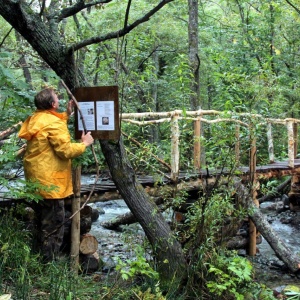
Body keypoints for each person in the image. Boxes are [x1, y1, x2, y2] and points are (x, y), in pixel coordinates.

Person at [18, 87, 94, 261]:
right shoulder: (53, 123)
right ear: (52, 104)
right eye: (57, 99)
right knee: (54, 224)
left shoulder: (36, 118)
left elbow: (51, 129)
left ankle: (40, 258)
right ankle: (49, 264)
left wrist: (66, 114)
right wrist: (84, 144)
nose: (59, 100)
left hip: (37, 179)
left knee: (43, 220)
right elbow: (65, 150)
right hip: (50, 181)